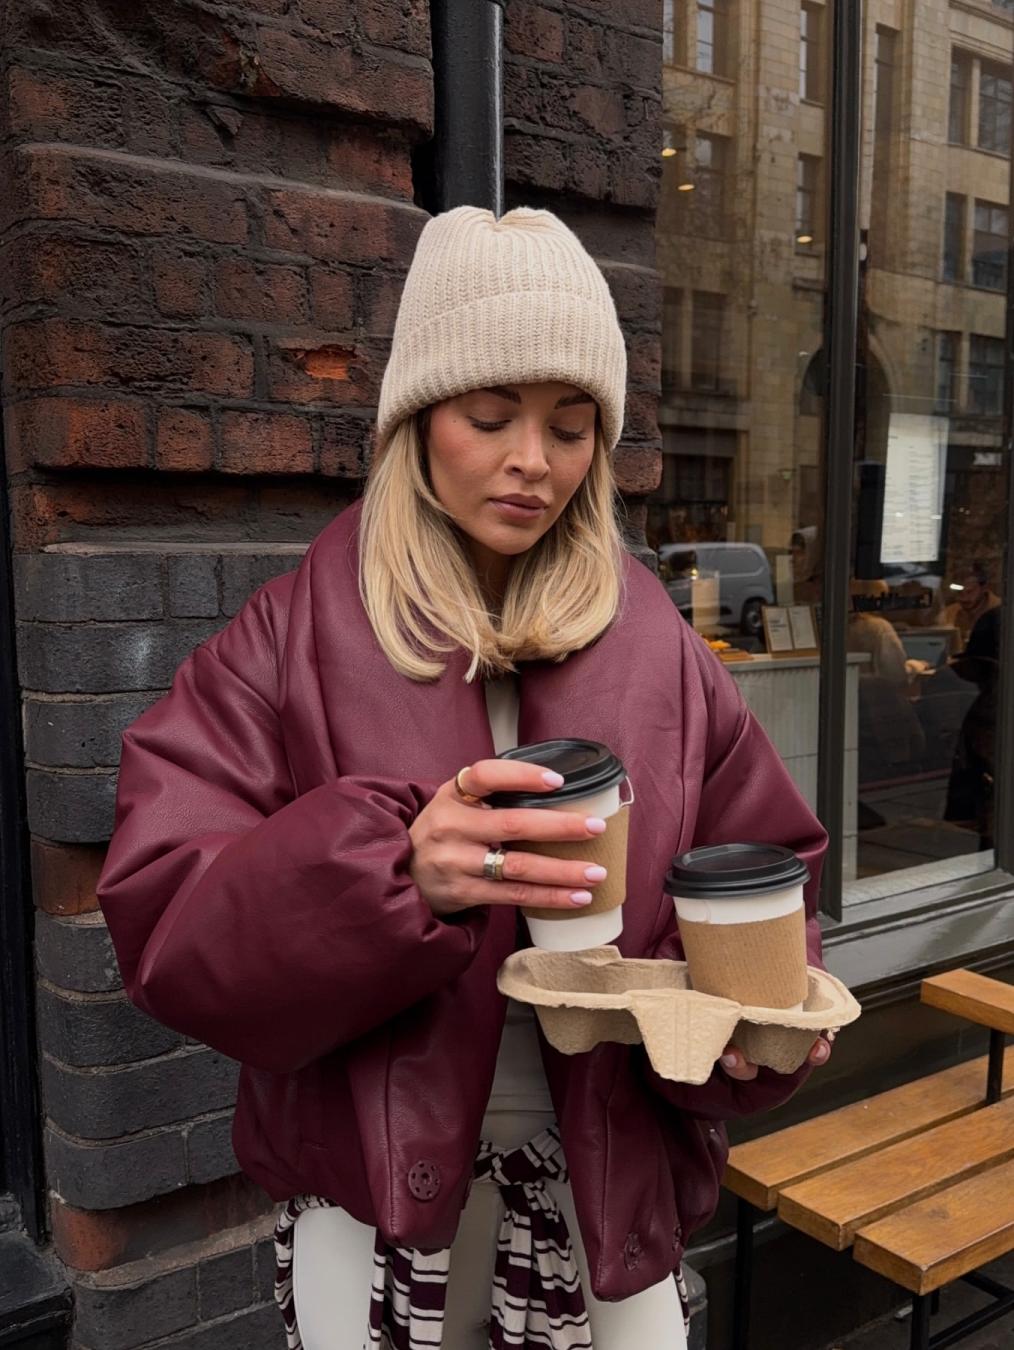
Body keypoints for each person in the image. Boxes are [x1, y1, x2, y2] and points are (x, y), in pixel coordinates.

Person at [96, 207, 831, 1350]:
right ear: (419, 419)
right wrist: (395, 875)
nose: (533, 460)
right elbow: (164, 922)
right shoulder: (292, 636)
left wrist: (759, 1021)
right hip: (374, 1215)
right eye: (491, 415)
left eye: (573, 426)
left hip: (610, 1201)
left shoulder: (661, 649)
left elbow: (770, 876)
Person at [940, 563, 1001, 652]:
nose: (964, 598)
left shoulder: (1001, 612)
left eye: (970, 592)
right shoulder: (949, 613)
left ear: (984, 588)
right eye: (959, 592)